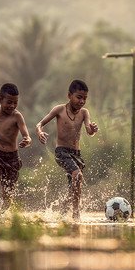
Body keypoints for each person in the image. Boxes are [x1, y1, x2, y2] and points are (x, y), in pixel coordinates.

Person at [36, 80, 99, 221]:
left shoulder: (84, 113)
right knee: (78, 176)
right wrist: (39, 132)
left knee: (76, 185)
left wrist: (93, 129)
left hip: (76, 155)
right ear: (69, 95)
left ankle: (74, 214)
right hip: (62, 152)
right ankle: (65, 208)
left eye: (85, 98)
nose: (82, 101)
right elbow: (40, 123)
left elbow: (89, 130)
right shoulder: (59, 109)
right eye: (79, 97)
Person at [0, 83, 31, 218]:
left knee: (8, 194)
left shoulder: (17, 116)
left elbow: (26, 133)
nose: (12, 106)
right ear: (0, 100)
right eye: (9, 102)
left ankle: (2, 217)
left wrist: (27, 140)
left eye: (15, 103)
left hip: (12, 158)